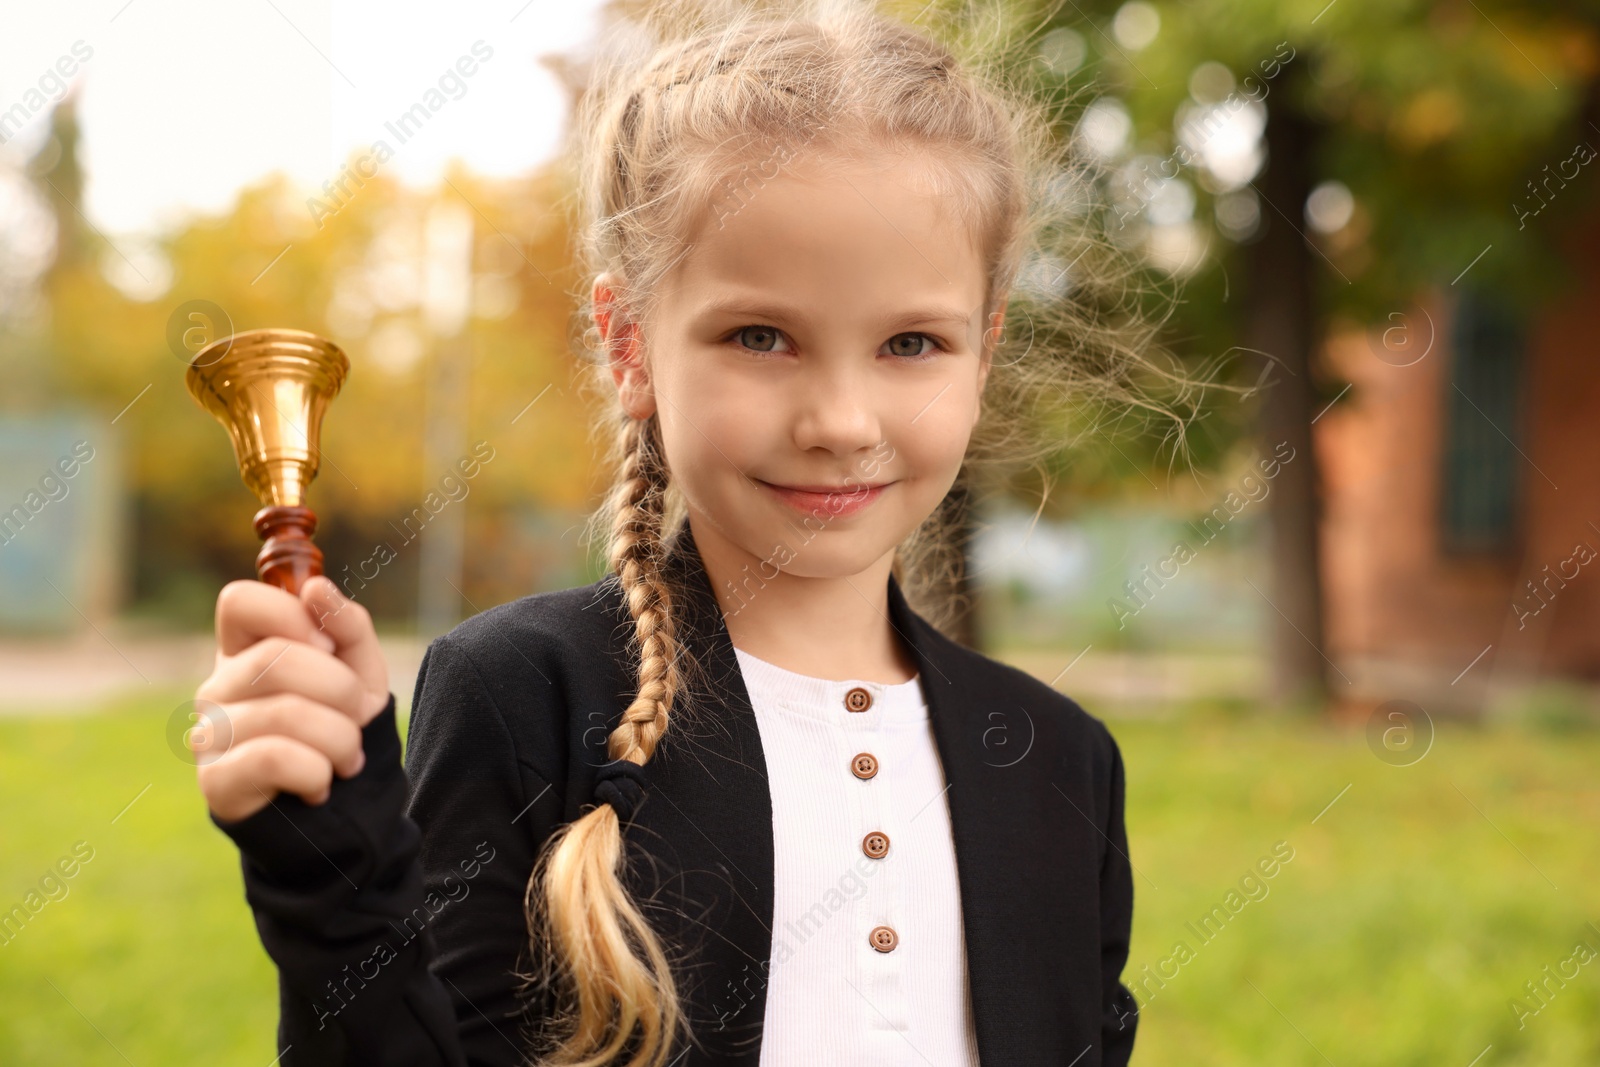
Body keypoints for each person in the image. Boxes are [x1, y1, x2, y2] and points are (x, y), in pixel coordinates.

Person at [194, 5, 1175, 1064]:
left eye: (909, 342)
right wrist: (331, 874)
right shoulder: (525, 696)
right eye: (761, 335)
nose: (840, 421)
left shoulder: (1061, 760)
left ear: (982, 352)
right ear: (631, 345)